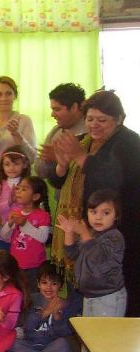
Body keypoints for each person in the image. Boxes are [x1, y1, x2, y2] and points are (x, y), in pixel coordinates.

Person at [49, 90, 140, 317]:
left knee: (117, 292)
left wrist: (80, 157)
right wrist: (61, 165)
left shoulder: (129, 142)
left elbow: (113, 179)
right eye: (90, 119)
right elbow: (58, 179)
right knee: (88, 286)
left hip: (121, 230)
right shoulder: (86, 142)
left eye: (102, 120)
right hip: (89, 226)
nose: (94, 125)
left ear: (118, 119)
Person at [58, 189, 125, 352]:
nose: (98, 217)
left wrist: (85, 233)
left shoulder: (114, 238)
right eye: (94, 212)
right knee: (89, 336)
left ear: (116, 216)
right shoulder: (93, 234)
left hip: (109, 297)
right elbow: (72, 254)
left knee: (104, 340)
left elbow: (98, 258)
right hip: (91, 295)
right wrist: (70, 233)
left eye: (106, 213)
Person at [9, 262, 74, 352]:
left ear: (61, 286)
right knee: (12, 343)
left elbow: (64, 332)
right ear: (38, 284)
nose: (48, 287)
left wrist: (56, 317)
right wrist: (44, 313)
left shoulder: (65, 304)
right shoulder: (32, 300)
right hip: (31, 344)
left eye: (54, 284)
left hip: (51, 345)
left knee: (64, 345)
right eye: (44, 283)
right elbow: (28, 329)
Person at [0, 176, 50, 291]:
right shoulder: (15, 212)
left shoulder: (42, 215)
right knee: (17, 295)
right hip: (16, 266)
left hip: (34, 267)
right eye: (18, 188)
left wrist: (24, 224)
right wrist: (10, 224)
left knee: (32, 296)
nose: (19, 191)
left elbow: (43, 238)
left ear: (35, 196)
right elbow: (3, 236)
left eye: (24, 189)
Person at [35, 83, 87, 182]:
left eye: (57, 109)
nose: (52, 114)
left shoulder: (92, 132)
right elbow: (39, 170)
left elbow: (93, 170)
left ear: (74, 107)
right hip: (62, 197)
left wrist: (58, 158)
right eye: (52, 109)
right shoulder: (56, 131)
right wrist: (49, 160)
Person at [0, 146, 31, 235]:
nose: (11, 168)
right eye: (7, 164)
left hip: (22, 234)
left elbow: (32, 209)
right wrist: (8, 203)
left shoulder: (29, 186)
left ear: (24, 165)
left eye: (16, 164)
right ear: (2, 165)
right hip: (1, 232)